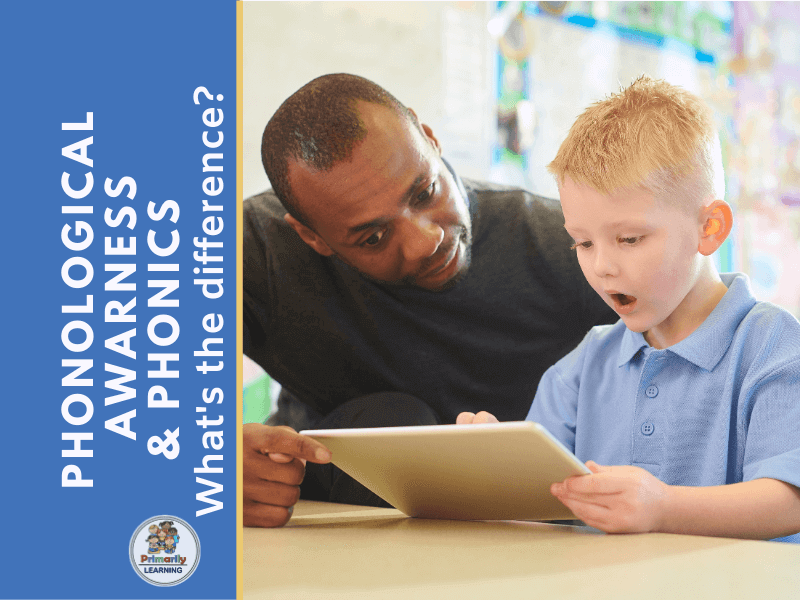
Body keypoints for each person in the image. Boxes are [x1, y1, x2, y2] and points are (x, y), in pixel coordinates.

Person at [243, 73, 618, 527]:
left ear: (429, 138)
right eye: (374, 236)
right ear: (310, 236)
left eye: (424, 192)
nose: (425, 241)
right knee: (394, 419)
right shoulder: (257, 252)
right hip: (340, 510)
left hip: (532, 520)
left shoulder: (566, 247)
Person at [458, 76, 800, 543]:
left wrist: (663, 507)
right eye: (582, 242)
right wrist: (494, 468)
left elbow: (788, 501)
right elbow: (539, 506)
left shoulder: (773, 345)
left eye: (630, 239)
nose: (602, 266)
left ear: (710, 228)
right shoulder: (583, 367)